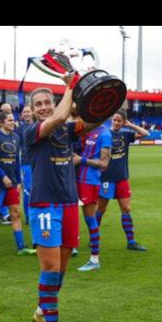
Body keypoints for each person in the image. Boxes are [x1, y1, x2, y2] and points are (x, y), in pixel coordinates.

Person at [22, 71, 109, 322]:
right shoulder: (32, 132)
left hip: (70, 203)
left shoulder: (66, 130)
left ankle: (41, 311)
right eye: (39, 104)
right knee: (50, 269)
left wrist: (101, 96)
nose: (45, 107)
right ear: (32, 111)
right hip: (45, 205)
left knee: (61, 271)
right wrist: (70, 86)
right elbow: (59, 117)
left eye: (48, 102)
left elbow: (95, 120)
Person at [0, 109, 35, 256]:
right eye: (10, 120)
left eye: (14, 120)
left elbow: (16, 161)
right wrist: (3, 176)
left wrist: (17, 180)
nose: (14, 123)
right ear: (1, 123)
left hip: (11, 182)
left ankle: (21, 247)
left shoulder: (16, 137)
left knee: (16, 214)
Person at [97, 110, 149, 251]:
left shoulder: (126, 134)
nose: (116, 123)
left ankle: (131, 242)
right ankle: (94, 237)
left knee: (126, 209)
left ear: (123, 122)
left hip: (122, 178)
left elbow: (145, 134)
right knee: (101, 209)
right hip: (106, 178)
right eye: (114, 120)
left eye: (119, 120)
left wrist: (130, 125)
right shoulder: (105, 134)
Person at [73, 105, 112, 272]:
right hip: (79, 179)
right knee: (74, 214)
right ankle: (72, 245)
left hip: (90, 181)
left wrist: (81, 160)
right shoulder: (90, 131)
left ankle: (95, 259)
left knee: (90, 219)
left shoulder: (104, 134)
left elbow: (104, 163)